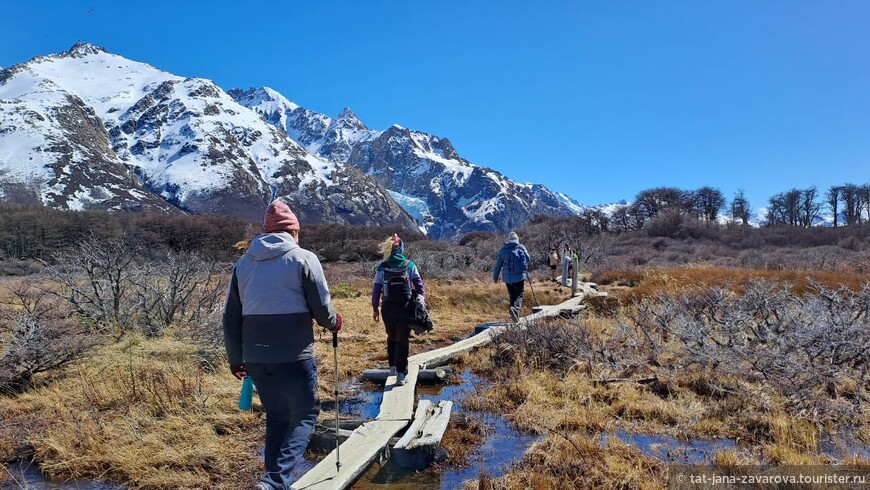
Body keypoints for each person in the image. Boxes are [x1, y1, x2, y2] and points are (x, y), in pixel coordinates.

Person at [223, 199, 342, 490]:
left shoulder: (243, 264)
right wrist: (334, 322)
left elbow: (230, 317)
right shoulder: (303, 258)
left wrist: (235, 359)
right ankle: (275, 482)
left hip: (255, 357)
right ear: (293, 232)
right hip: (294, 355)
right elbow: (322, 309)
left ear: (265, 232)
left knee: (276, 416)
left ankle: (271, 481)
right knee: (305, 414)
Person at [371, 233, 425, 386]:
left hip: (387, 308)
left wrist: (375, 309)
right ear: (401, 249)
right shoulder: (410, 265)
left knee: (391, 336)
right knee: (403, 339)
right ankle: (401, 374)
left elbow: (376, 290)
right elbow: (420, 287)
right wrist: (422, 304)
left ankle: (393, 367)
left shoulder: (382, 267)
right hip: (405, 307)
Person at [492, 231, 531, 322]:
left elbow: (498, 265)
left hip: (507, 279)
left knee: (512, 295)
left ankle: (514, 315)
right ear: (517, 239)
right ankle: (515, 309)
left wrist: (495, 277)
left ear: (508, 239)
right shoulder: (520, 247)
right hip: (519, 276)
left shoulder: (503, 250)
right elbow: (528, 259)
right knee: (519, 295)